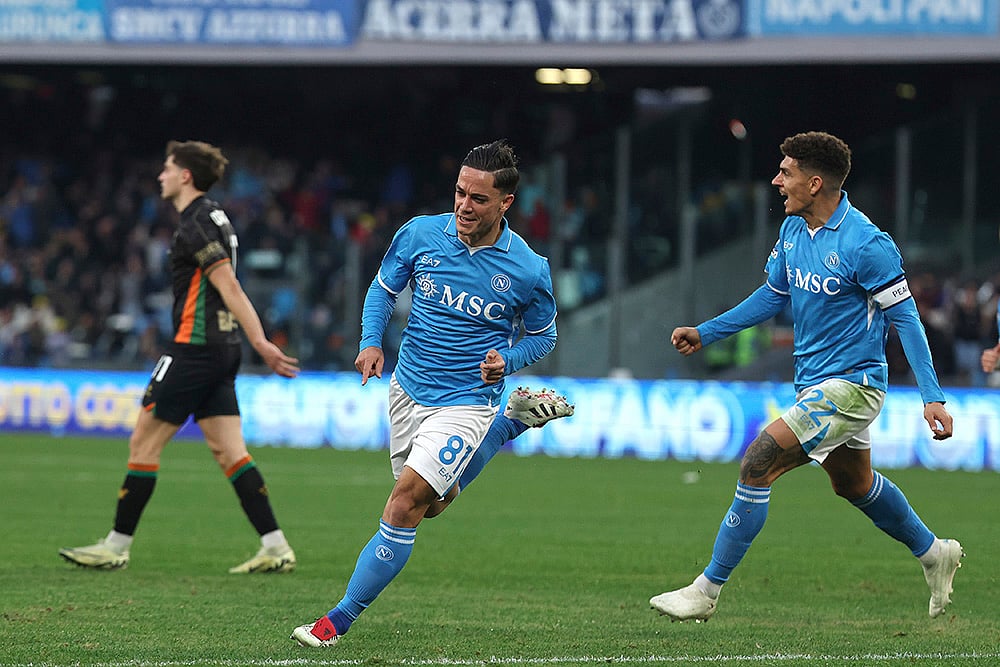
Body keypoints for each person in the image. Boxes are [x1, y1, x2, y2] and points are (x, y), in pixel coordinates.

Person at [650, 131, 963, 622]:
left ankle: (705, 590)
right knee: (854, 485)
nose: (776, 181)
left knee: (759, 460)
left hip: (854, 385)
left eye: (786, 172)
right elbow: (774, 295)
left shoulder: (867, 243)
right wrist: (707, 333)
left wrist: (932, 396)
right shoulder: (793, 231)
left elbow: (906, 320)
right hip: (814, 384)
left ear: (815, 183)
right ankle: (934, 553)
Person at [290, 140, 573, 648]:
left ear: (505, 203)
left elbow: (545, 334)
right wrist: (371, 342)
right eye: (461, 193)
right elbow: (381, 289)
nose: (465, 206)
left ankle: (334, 622)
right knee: (432, 506)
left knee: (403, 506)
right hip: (407, 389)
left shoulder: (528, 269)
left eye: (479, 199)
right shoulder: (421, 234)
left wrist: (506, 361)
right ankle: (512, 422)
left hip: (466, 401)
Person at [59, 140, 301, 574]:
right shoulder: (217, 217)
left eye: (167, 168)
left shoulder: (196, 224)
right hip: (221, 351)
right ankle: (275, 545)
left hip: (195, 349)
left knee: (143, 441)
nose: (160, 176)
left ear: (185, 176)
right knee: (230, 452)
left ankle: (116, 545)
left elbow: (228, 286)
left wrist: (261, 342)